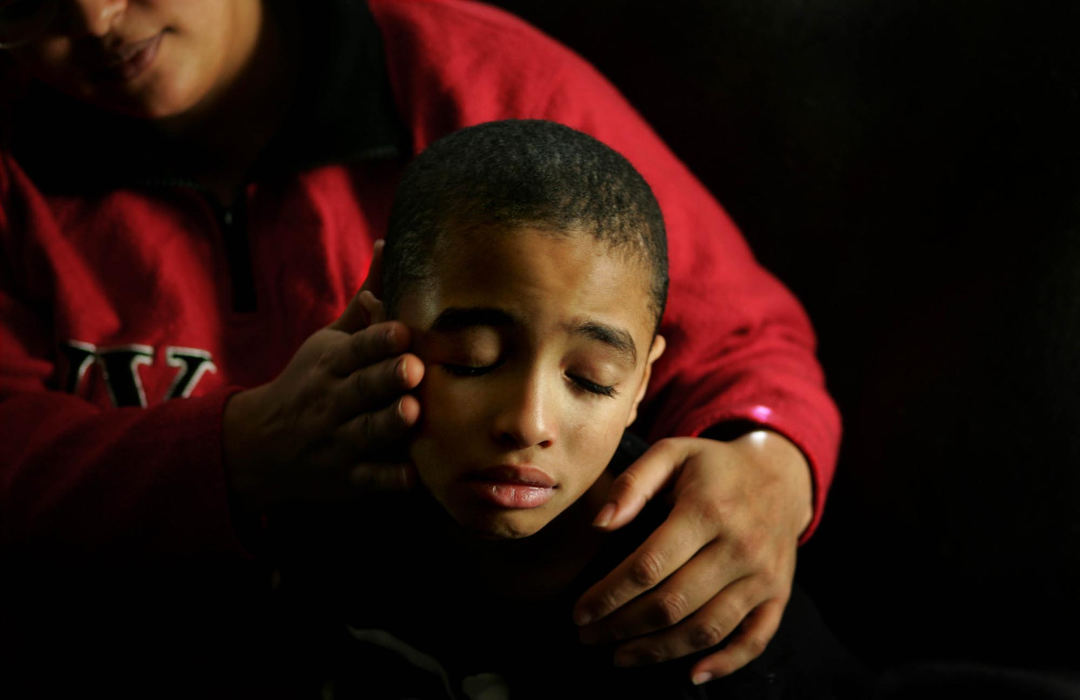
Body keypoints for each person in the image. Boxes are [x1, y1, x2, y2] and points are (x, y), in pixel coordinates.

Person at [0, 0, 840, 694]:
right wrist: (229, 453)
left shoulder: (479, 79)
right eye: (22, 1)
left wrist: (766, 455)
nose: (98, 16)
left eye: (585, 379)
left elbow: (737, 337)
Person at [275, 118, 865, 699]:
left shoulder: (708, 608)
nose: (528, 424)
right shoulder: (320, 516)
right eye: (471, 359)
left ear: (641, 384)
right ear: (379, 315)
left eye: (591, 380)